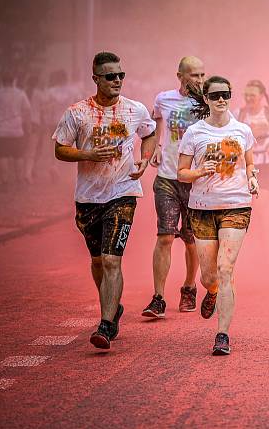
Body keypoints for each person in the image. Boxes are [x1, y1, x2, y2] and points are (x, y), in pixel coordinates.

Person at [53, 51, 157, 349]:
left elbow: (149, 133)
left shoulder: (134, 109)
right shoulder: (77, 112)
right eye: (110, 76)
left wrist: (144, 159)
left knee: (112, 259)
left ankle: (107, 324)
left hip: (123, 193)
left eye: (121, 75)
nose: (117, 80)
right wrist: (88, 154)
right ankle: (113, 307)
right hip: (88, 198)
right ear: (96, 78)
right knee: (98, 261)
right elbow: (60, 149)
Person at [178, 75, 258, 355]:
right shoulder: (194, 133)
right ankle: (211, 292)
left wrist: (252, 178)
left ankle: (222, 335)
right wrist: (201, 170)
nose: (221, 99)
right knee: (209, 275)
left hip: (236, 205)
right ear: (206, 99)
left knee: (226, 269)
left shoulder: (243, 131)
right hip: (202, 208)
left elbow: (249, 164)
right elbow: (182, 173)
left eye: (225, 94)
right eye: (215, 95)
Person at [141, 56, 206, 318]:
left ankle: (189, 287)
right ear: (180, 76)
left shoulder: (207, 102)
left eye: (202, 75)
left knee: (191, 240)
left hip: (195, 181)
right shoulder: (163, 99)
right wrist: (156, 146)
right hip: (167, 177)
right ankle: (158, 297)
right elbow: (157, 122)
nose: (199, 81)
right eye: (194, 75)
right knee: (165, 236)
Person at [237, 80, 269, 192]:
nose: (248, 98)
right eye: (246, 95)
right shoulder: (238, 114)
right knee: (249, 206)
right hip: (244, 167)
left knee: (261, 203)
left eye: (252, 95)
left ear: (261, 96)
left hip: (266, 166)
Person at [0, 71, 32, 185]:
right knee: (18, 156)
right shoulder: (20, 93)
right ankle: (19, 179)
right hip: (17, 130)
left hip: (0, 130)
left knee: (3, 155)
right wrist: (27, 126)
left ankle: (5, 180)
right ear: (14, 80)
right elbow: (27, 110)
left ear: (2, 81)